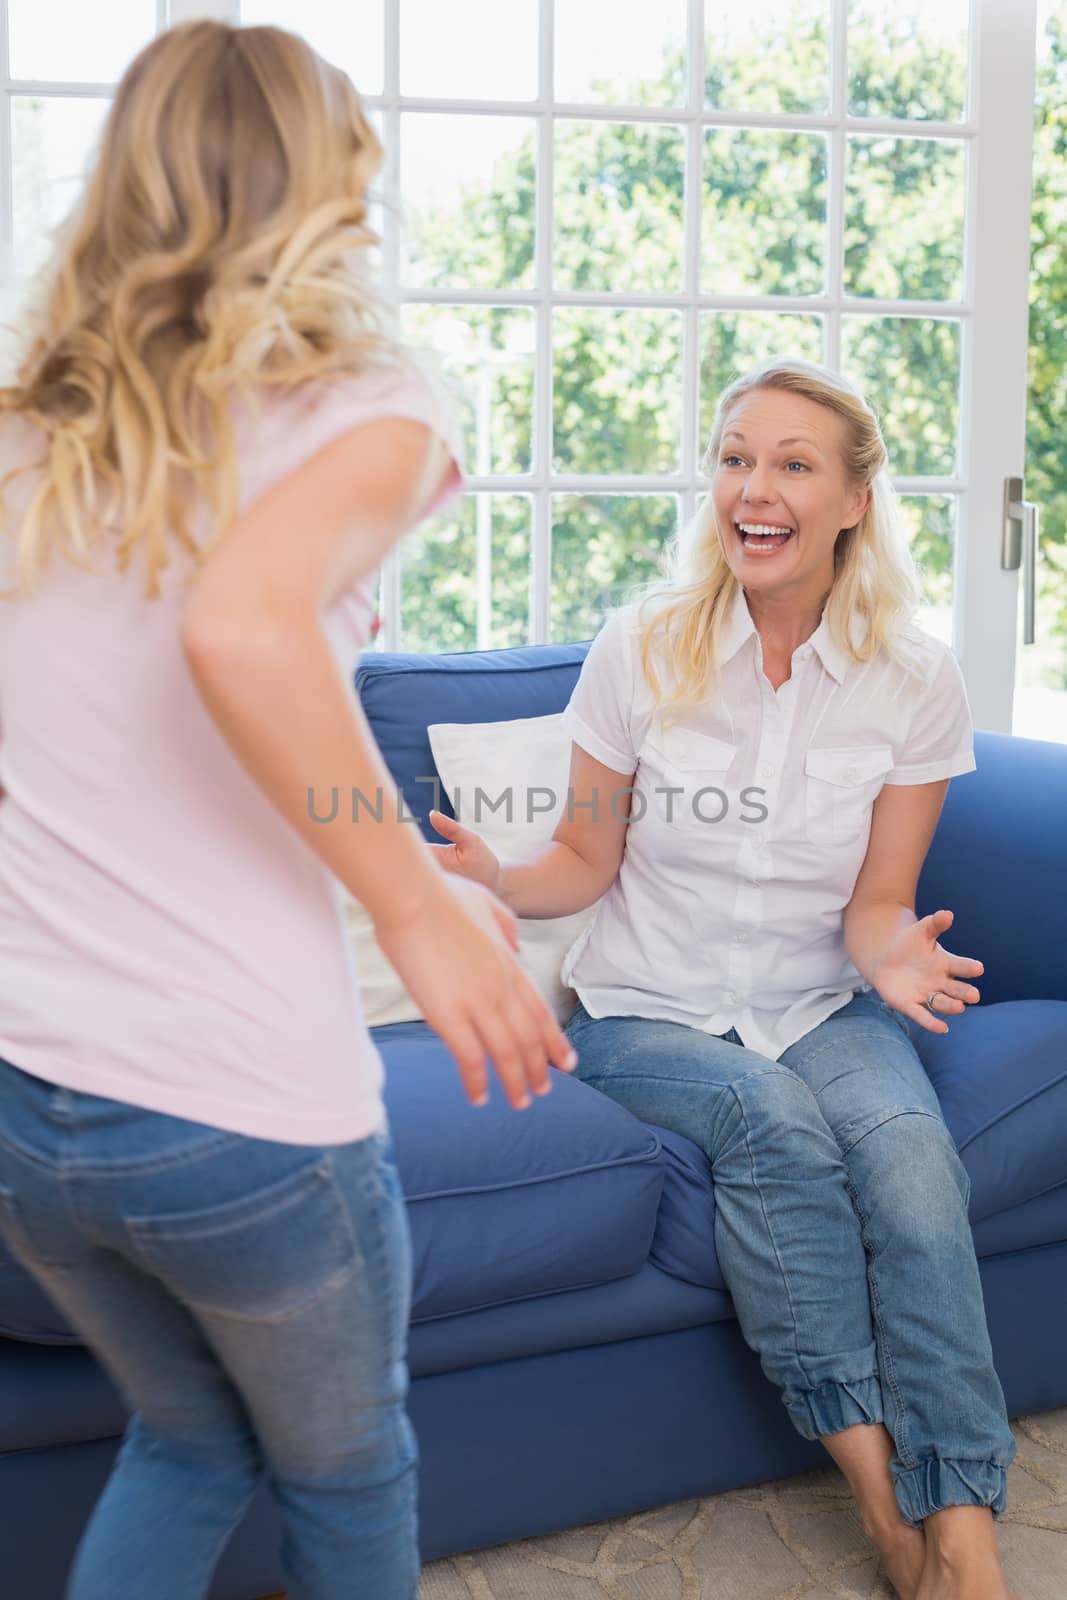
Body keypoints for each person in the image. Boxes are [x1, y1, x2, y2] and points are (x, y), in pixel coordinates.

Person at [0, 20, 576, 1600]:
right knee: (350, 1471)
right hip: (235, 1117)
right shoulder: (366, 408)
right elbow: (242, 628)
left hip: (29, 1109)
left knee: (187, 1440)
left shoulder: (23, 434)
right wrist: (418, 914)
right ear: (334, 189)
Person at [430, 357, 1021, 1600]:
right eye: (735, 457)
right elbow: (584, 859)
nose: (752, 488)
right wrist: (494, 876)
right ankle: (879, 1499)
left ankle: (959, 1524)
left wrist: (891, 954)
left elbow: (873, 903)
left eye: (792, 464)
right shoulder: (641, 645)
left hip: (817, 1001)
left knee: (914, 1161)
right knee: (767, 1125)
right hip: (643, 1010)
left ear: (853, 499)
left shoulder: (912, 679)